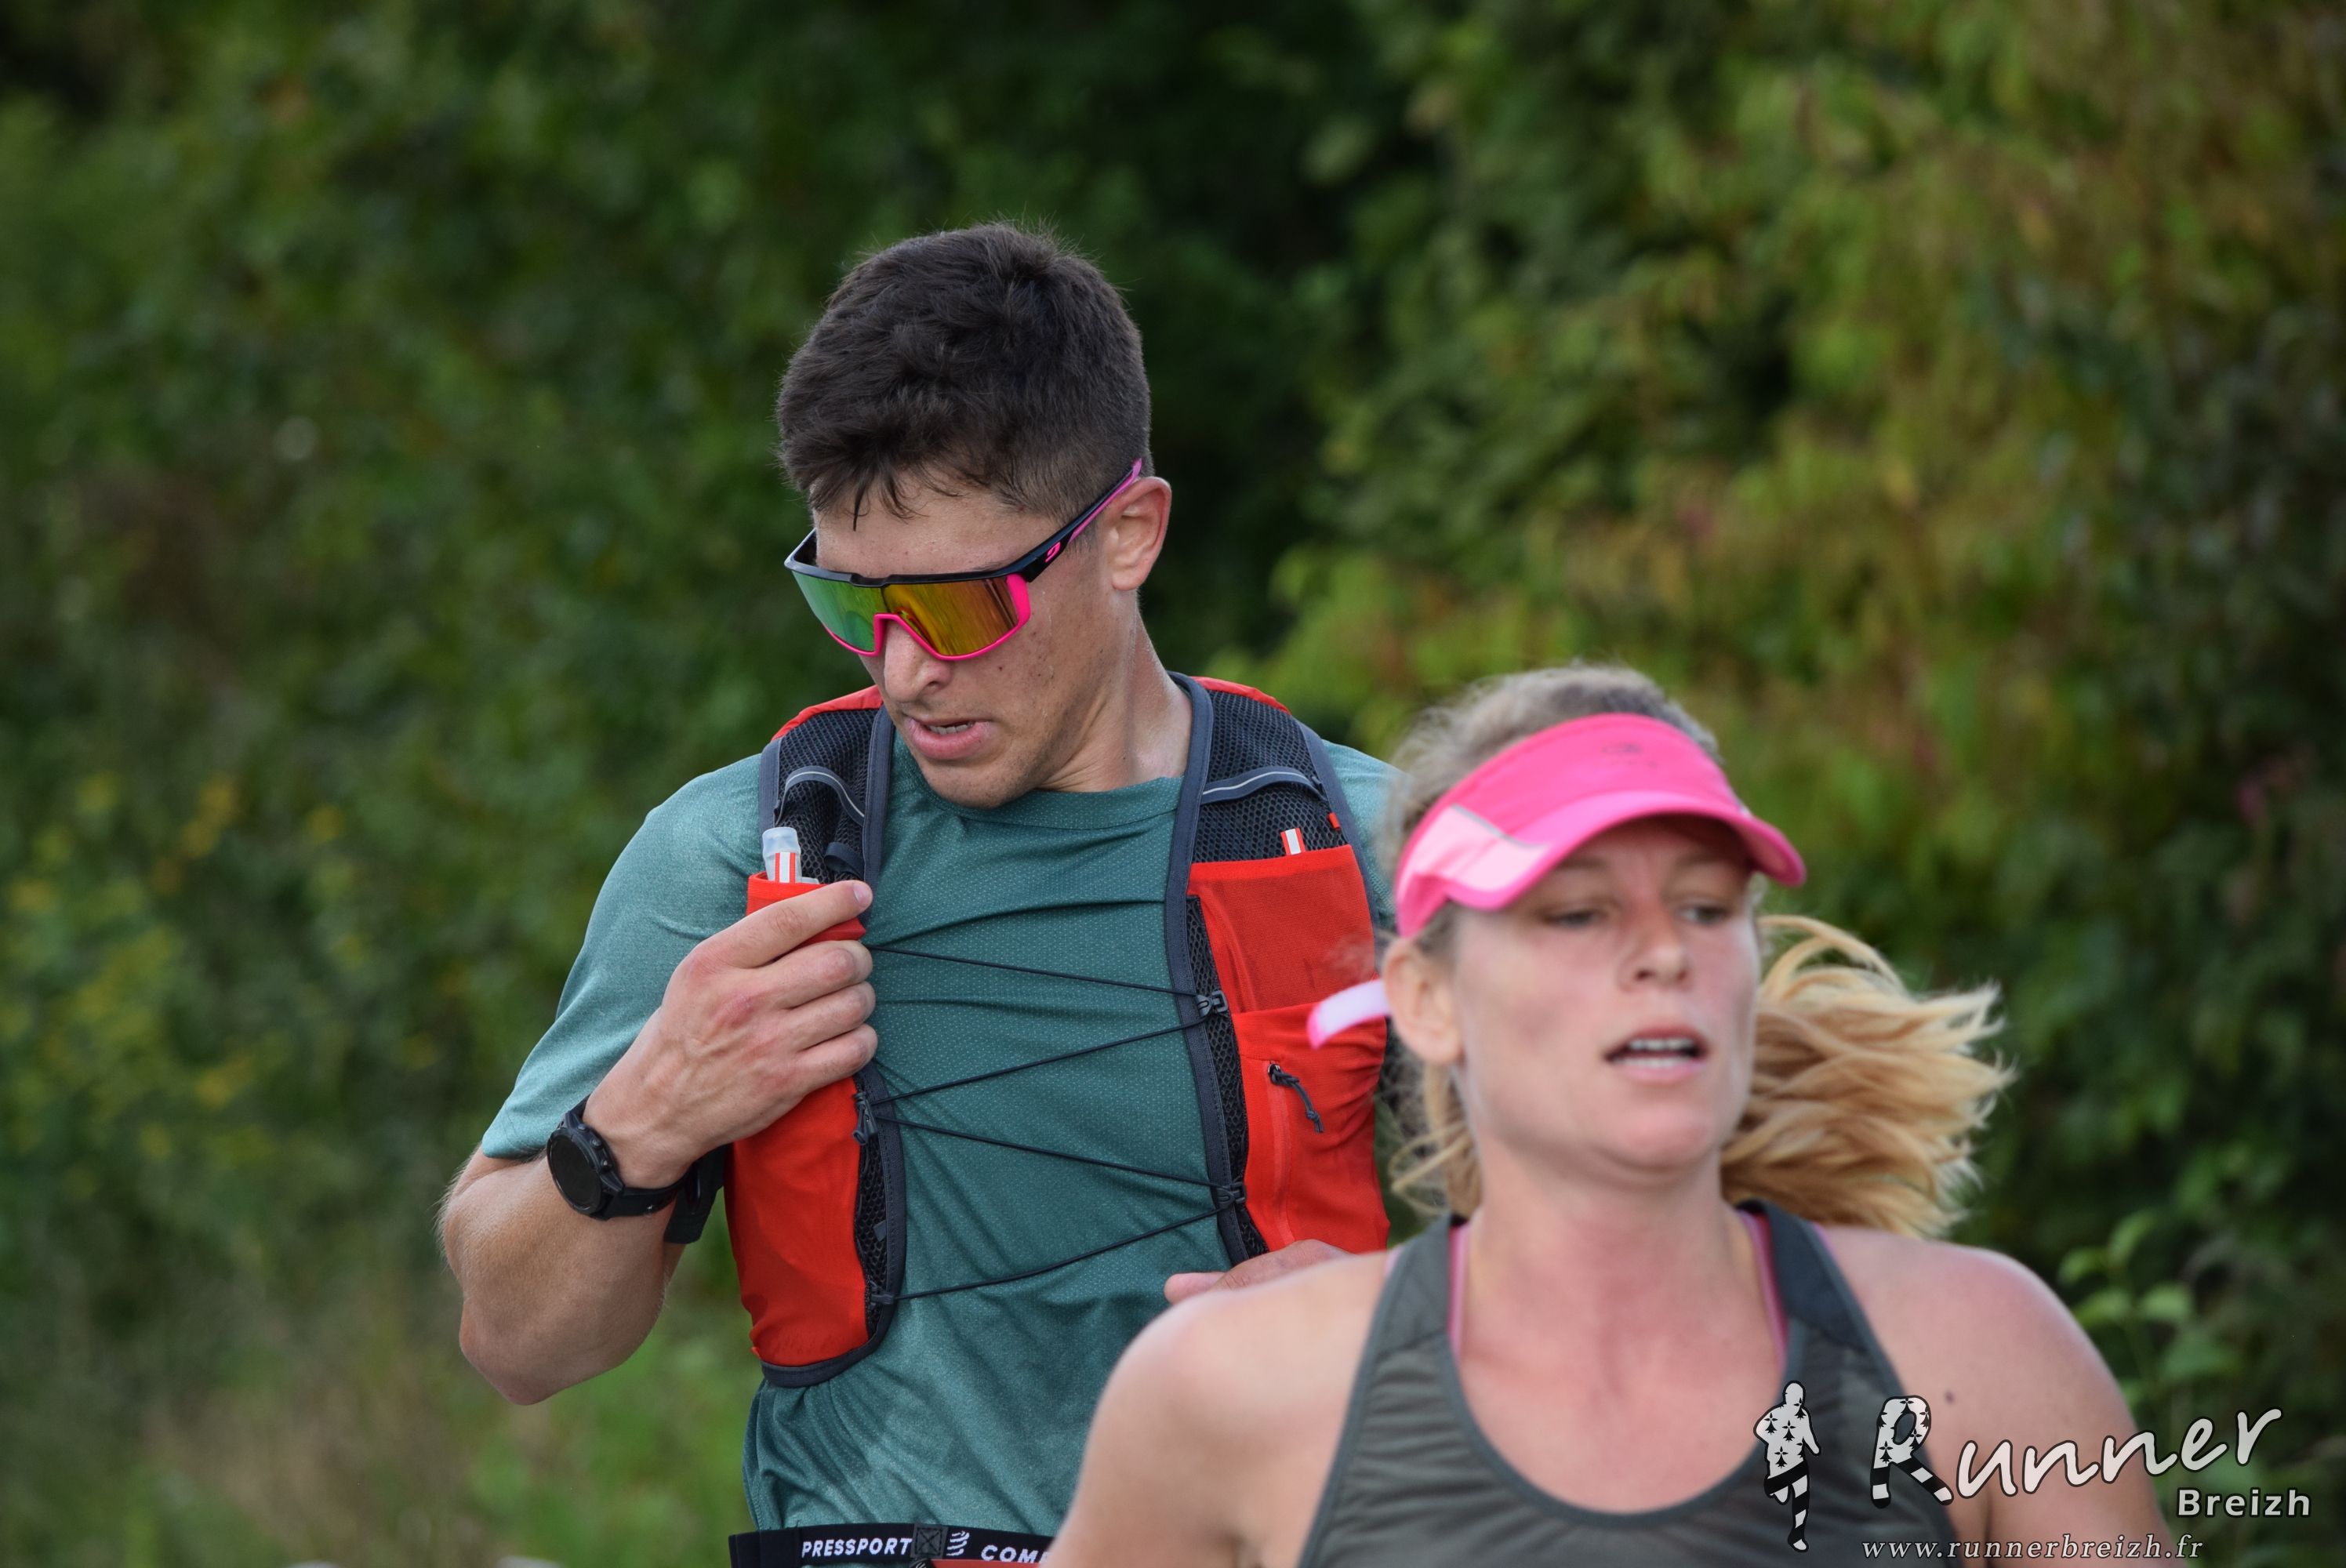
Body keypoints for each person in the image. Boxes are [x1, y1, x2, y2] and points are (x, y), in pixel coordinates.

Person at [438, 223, 1399, 1564]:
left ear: (1129, 535)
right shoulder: (740, 858)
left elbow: (1652, 1254)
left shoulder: (1365, 845)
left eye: (954, 609)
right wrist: (641, 1120)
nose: (902, 671)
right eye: (853, 607)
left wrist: (1407, 1309)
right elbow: (513, 1344)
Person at [1051, 665, 2174, 1565]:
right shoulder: (1234, 1393)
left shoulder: (1978, 1357)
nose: (1664, 954)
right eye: (1581, 914)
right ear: (1427, 1000)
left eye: (1705, 906)